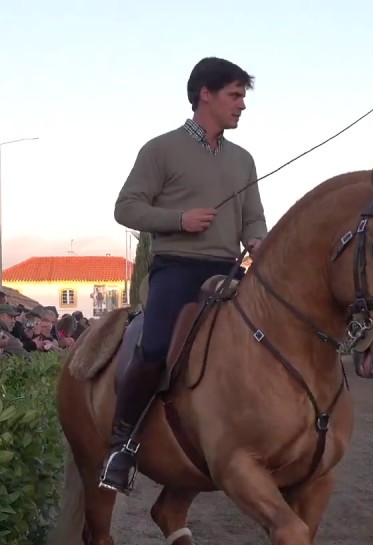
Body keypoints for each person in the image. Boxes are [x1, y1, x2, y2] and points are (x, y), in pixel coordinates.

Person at [99, 56, 268, 494]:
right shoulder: (160, 149)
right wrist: (179, 218)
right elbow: (126, 207)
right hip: (178, 267)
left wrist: (261, 246)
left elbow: (253, 220)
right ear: (205, 95)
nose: (242, 105)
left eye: (243, 97)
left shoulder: (244, 160)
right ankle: (122, 446)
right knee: (154, 348)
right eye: (235, 95)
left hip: (229, 270)